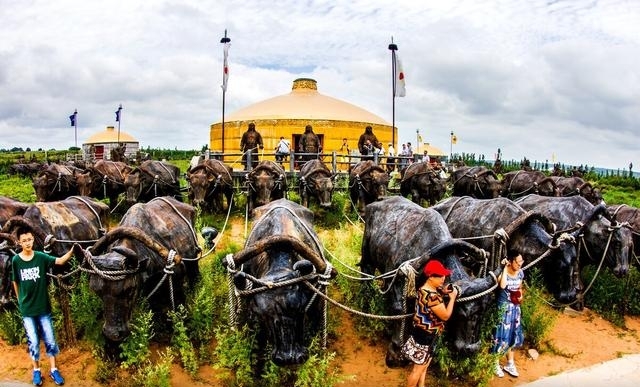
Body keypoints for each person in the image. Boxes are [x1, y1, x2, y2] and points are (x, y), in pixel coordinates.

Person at [12, 228, 81, 386]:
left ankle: (54, 369)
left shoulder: (41, 257)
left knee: (50, 340)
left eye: (30, 239)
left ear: (33, 239)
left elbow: (60, 261)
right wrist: (20, 301)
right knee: (34, 342)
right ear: (19, 243)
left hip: (43, 308)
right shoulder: (16, 260)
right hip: (27, 311)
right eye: (24, 241)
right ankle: (36, 371)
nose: (28, 243)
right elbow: (15, 281)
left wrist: (72, 251)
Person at [404, 260, 459, 387]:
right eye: (440, 276)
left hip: (420, 332)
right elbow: (445, 316)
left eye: (444, 276)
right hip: (427, 336)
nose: (443, 279)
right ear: (431, 277)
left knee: (424, 364)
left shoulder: (423, 289)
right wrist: (452, 299)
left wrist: (442, 292)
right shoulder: (433, 296)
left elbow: (431, 301)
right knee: (417, 369)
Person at [491, 250, 525, 378]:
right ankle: (495, 363)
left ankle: (510, 363)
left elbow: (520, 287)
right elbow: (503, 285)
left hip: (515, 309)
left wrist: (520, 295)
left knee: (513, 336)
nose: (520, 264)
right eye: (518, 261)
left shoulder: (520, 273)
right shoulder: (503, 272)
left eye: (521, 261)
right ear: (510, 262)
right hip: (504, 310)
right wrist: (504, 268)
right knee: (500, 336)